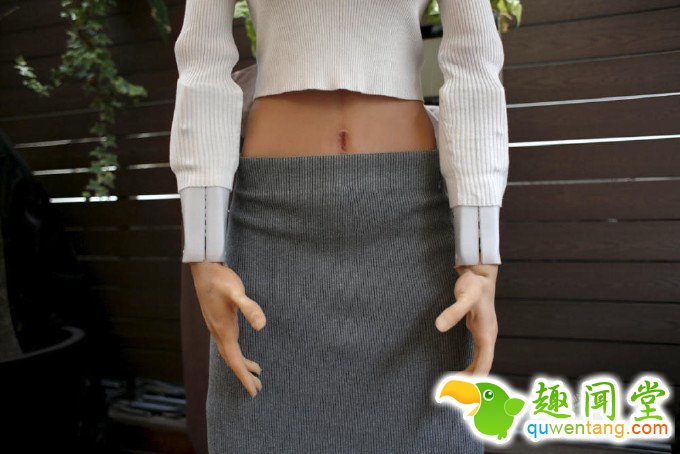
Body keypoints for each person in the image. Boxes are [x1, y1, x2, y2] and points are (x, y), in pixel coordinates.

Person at [169, 0, 508, 452]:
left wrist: (481, 262)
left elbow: (475, 64)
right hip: (270, 226)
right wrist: (206, 256)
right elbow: (202, 65)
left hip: (410, 228)